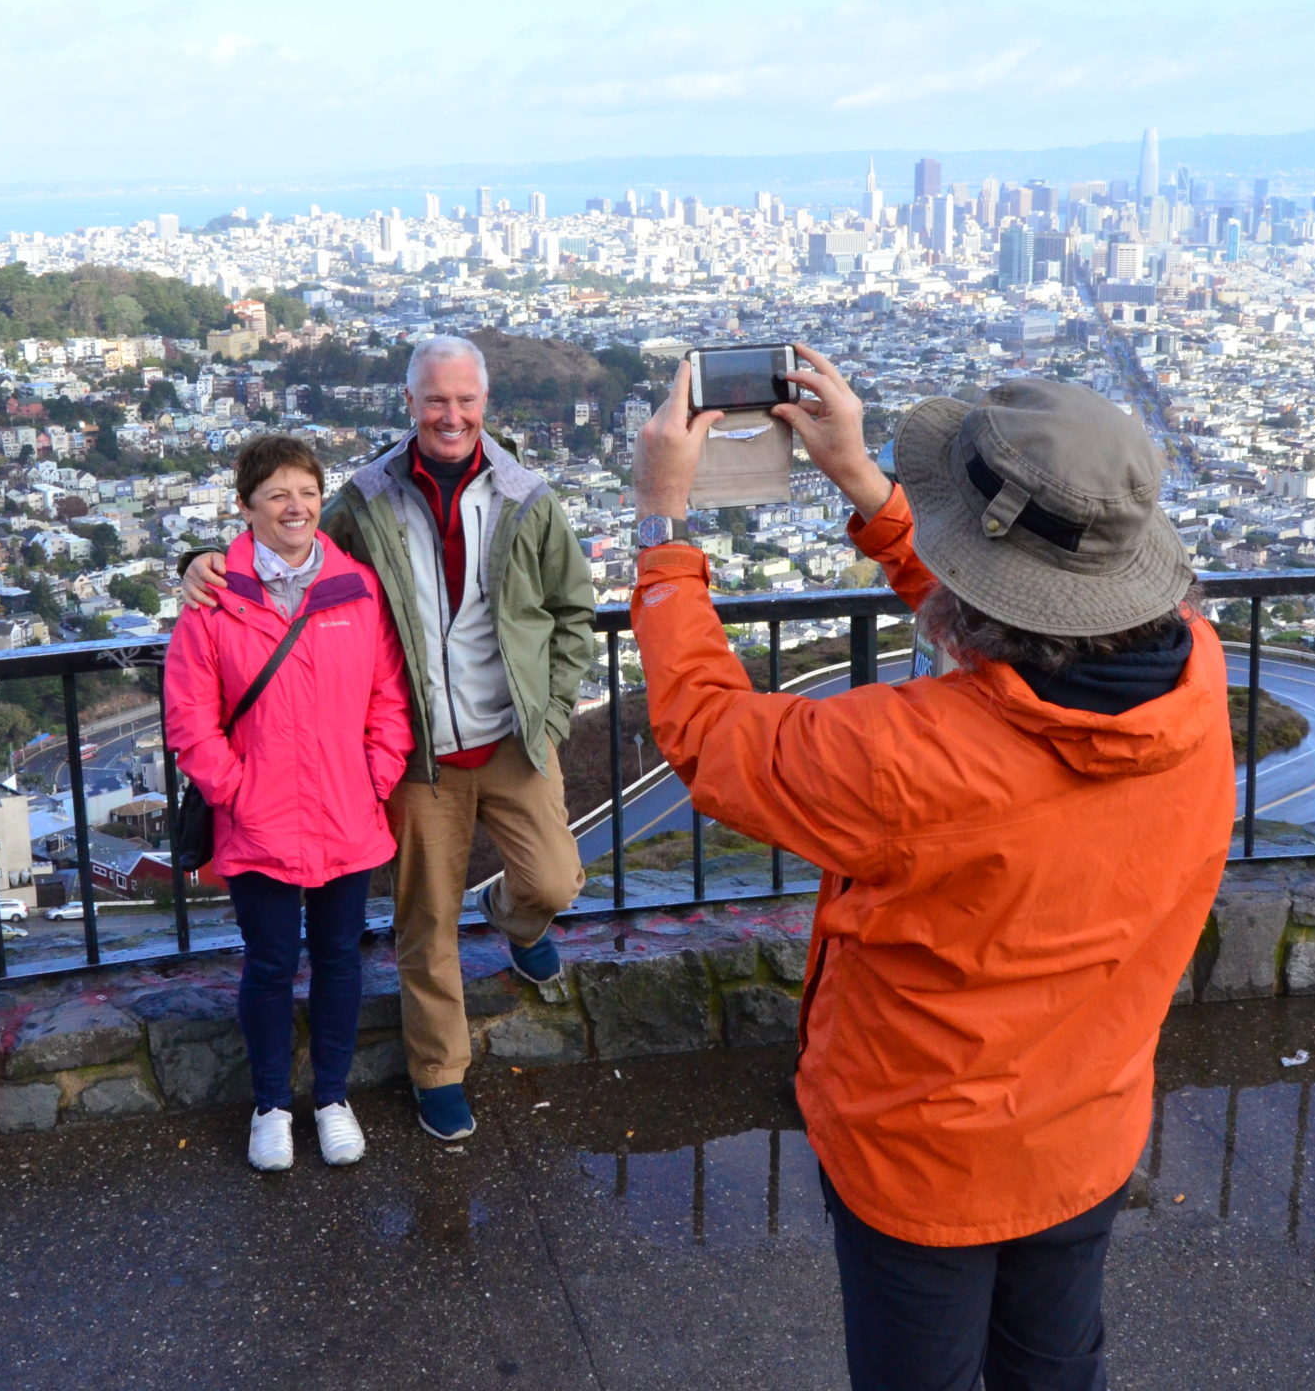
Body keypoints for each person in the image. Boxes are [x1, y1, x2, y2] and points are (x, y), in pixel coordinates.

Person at [627, 349, 1235, 1391]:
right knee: (1055, 1370)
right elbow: (1028, 615)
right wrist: (864, 486)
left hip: (922, 1152)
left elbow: (710, 736)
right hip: (1087, 1121)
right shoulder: (1194, 673)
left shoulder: (909, 755)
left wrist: (662, 529)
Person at [180, 336, 596, 1143]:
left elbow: (572, 611)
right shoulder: (365, 500)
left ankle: (517, 918)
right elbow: (295, 554)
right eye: (435, 400)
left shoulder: (527, 496)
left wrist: (549, 716)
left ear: (485, 405)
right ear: (409, 404)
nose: (450, 415)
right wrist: (197, 562)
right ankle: (439, 1071)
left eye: (465, 400)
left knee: (552, 880)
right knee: (426, 924)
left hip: (511, 735)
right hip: (420, 752)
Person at [165, 434, 413, 1172]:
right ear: (245, 508)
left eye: (306, 491)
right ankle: (271, 1105)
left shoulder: (356, 590)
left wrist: (375, 774)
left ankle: (332, 1098)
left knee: (341, 958)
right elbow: (189, 717)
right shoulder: (216, 597)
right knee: (270, 963)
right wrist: (234, 789)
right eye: (276, 494)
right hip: (259, 818)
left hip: (345, 811)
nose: (295, 507)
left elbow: (388, 698)